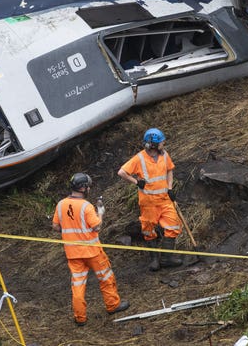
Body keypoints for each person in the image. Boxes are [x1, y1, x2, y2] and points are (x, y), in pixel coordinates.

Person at [52, 173, 130, 326]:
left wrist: (70, 228)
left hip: (73, 253)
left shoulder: (60, 204)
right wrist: (100, 213)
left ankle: (80, 318)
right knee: (106, 277)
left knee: (78, 285)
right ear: (83, 188)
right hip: (92, 252)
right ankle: (112, 305)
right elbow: (97, 226)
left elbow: (55, 226)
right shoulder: (86, 206)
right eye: (88, 186)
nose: (89, 189)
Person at [118, 128, 183, 271]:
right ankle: (154, 260)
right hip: (148, 203)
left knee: (173, 226)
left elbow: (169, 170)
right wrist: (136, 182)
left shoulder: (164, 155)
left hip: (165, 200)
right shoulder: (139, 158)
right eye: (161, 142)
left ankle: (166, 258)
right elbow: (122, 172)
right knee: (148, 230)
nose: (163, 144)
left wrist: (170, 188)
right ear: (153, 144)